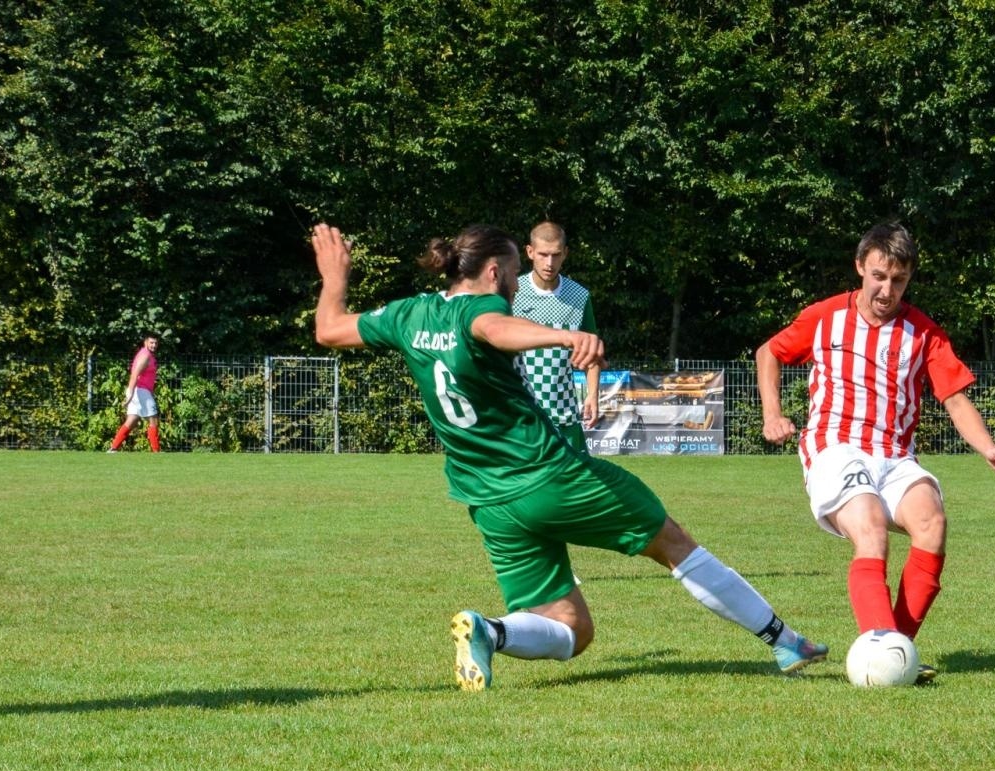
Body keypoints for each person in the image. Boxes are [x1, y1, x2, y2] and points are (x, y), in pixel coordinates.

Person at [310, 222, 825, 690]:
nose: (515, 285)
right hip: (549, 478)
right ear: (494, 271)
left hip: (488, 502)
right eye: (513, 274)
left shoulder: (409, 314)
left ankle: (488, 631)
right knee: (673, 542)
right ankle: (784, 641)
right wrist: (563, 334)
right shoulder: (482, 309)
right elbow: (493, 330)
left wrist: (335, 276)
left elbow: (329, 329)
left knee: (573, 630)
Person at [755, 222, 995, 682]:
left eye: (898, 280)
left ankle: (897, 650)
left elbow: (955, 398)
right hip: (834, 446)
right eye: (878, 276)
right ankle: (881, 645)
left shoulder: (923, 333)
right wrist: (772, 414)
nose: (886, 289)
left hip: (894, 455)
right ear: (860, 267)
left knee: (932, 522)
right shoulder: (826, 317)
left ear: (909, 278)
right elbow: (769, 352)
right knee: (871, 526)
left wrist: (988, 447)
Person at [510, 221, 600, 453]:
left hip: (564, 416)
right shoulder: (511, 292)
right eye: (543, 254)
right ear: (530, 252)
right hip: (520, 417)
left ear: (565, 254)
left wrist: (592, 395)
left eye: (555, 255)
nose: (549, 263)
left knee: (573, 488)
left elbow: (593, 353)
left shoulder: (579, 296)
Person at [107, 335, 161, 452]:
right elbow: (135, 374)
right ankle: (156, 451)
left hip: (139, 391)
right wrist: (130, 394)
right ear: (145, 342)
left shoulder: (146, 354)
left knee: (132, 420)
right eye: (151, 343)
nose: (154, 345)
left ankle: (113, 448)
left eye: (156, 343)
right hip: (141, 391)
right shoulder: (145, 356)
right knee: (153, 419)